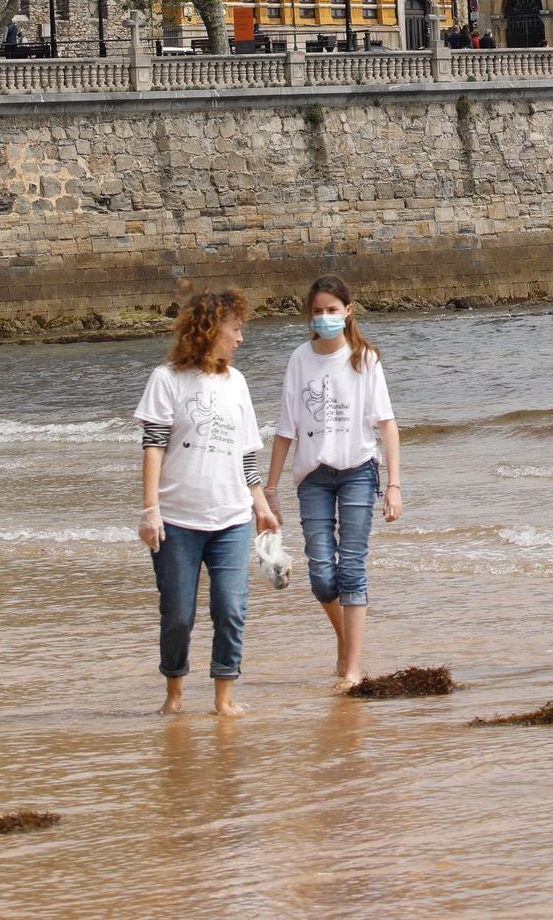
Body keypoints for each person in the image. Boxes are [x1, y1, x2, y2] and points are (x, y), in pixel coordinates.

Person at [135, 288, 277, 716]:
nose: (240, 339)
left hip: (231, 518)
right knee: (178, 615)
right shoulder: (167, 379)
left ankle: (224, 697)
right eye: (235, 329)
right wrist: (149, 510)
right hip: (176, 520)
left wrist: (261, 504)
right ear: (210, 329)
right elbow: (154, 445)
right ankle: (174, 696)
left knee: (231, 608)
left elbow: (245, 453)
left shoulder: (237, 382)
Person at [266, 276, 402, 689]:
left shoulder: (365, 359)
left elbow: (387, 424)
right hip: (313, 477)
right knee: (323, 575)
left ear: (348, 311)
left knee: (353, 569)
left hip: (359, 471)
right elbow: (286, 428)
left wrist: (394, 484)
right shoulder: (299, 360)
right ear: (310, 315)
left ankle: (352, 668)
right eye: (318, 311)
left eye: (332, 310)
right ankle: (346, 638)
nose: (325, 317)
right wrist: (269, 491)